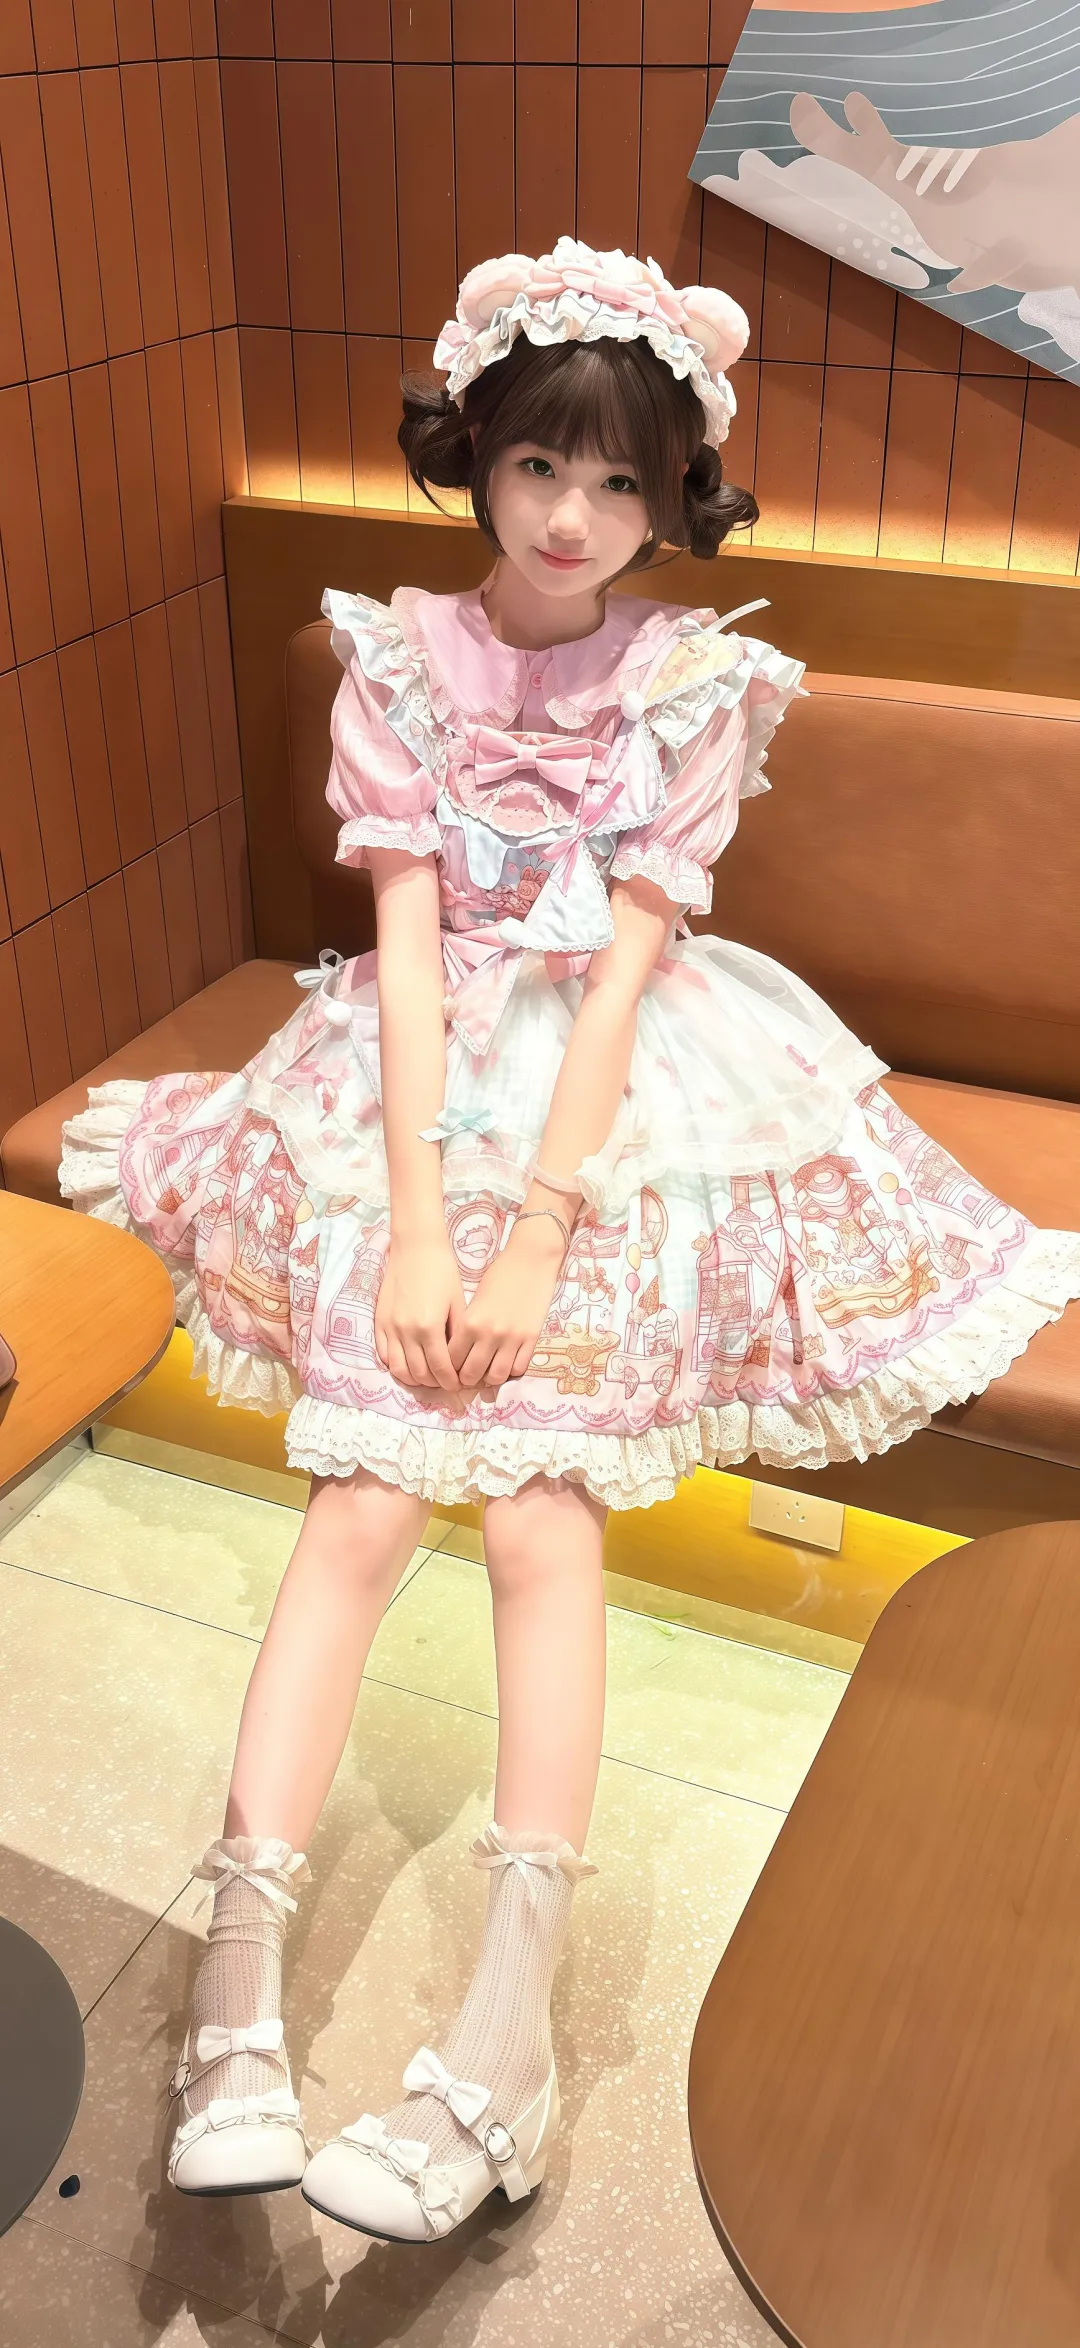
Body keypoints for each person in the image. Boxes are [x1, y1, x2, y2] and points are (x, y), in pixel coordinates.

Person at [60, 236, 1080, 2244]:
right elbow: (404, 945)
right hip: (407, 1081)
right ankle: (235, 2005)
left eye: (623, 483)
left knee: (540, 1514)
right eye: (542, 465)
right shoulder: (393, 660)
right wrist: (416, 1230)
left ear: (674, 495)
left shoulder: (695, 682)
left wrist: (529, 1241)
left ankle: (506, 2043)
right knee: (359, 1502)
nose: (574, 519)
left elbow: (620, 976)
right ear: (479, 454)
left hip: (621, 1103)